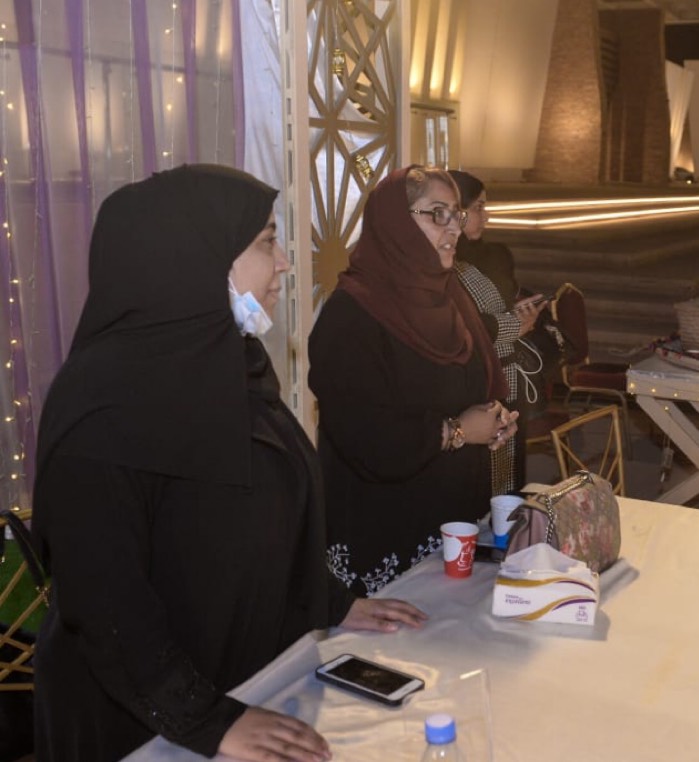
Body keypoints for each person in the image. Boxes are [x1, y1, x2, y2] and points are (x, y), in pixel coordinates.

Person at [31, 165, 427, 762]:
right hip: (139, 723)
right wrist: (205, 719)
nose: (285, 263)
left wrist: (334, 601)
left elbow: (268, 515)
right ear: (196, 258)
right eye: (267, 242)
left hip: (241, 683)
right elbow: (107, 602)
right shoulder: (102, 410)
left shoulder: (230, 366)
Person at [309, 166, 518, 597]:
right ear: (395, 222)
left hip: (455, 520)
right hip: (384, 529)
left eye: (457, 214)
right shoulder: (351, 316)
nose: (453, 228)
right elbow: (365, 438)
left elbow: (473, 384)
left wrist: (492, 417)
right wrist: (459, 431)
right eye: (436, 214)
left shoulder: (450, 298)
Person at [449, 169, 546, 495]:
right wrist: (512, 324)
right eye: (478, 207)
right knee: (479, 479)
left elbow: (492, 311)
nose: (486, 216)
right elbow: (465, 327)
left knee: (504, 476)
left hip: (505, 376)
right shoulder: (443, 264)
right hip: (475, 386)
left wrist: (520, 315)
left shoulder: (492, 255)